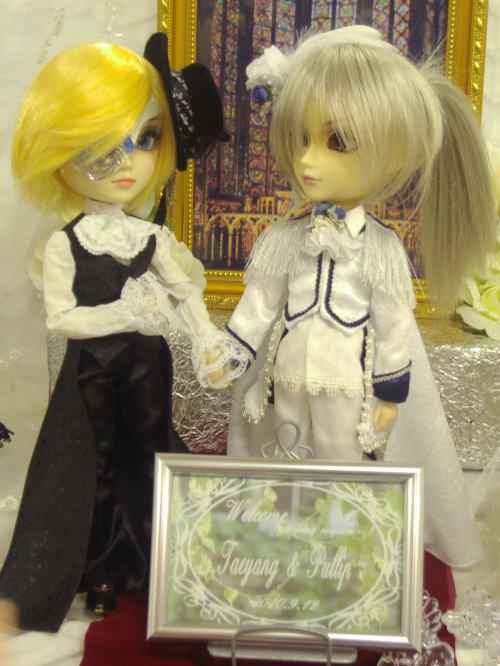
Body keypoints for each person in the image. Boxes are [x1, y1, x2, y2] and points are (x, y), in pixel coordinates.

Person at [221, 26, 496, 568]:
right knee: (286, 453)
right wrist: (233, 351)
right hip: (287, 375)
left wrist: (389, 394)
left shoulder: (381, 249)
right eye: (300, 138)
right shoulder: (283, 238)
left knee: (341, 456)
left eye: (336, 142)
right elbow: (260, 303)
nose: (307, 160)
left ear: (393, 153)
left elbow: (393, 326)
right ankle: (286, 546)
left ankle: (341, 552)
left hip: (347, 380)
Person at [0, 33, 243, 632]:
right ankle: (104, 571)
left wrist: (206, 339)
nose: (129, 161)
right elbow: (62, 318)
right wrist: (125, 314)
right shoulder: (67, 244)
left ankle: (165, 565)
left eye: (146, 138)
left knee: (152, 459)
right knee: (97, 472)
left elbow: (185, 292)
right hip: (91, 375)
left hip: (145, 370)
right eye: (102, 146)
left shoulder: (150, 238)